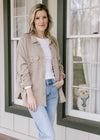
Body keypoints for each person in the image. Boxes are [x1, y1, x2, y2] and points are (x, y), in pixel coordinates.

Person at [17, 3, 66, 140]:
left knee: (46, 133)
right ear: (33, 20)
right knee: (49, 135)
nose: (41, 21)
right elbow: (22, 68)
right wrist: (29, 93)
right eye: (37, 18)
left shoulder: (52, 40)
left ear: (48, 19)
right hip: (35, 90)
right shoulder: (25, 40)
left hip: (53, 89)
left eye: (44, 17)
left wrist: (61, 78)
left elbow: (58, 64)